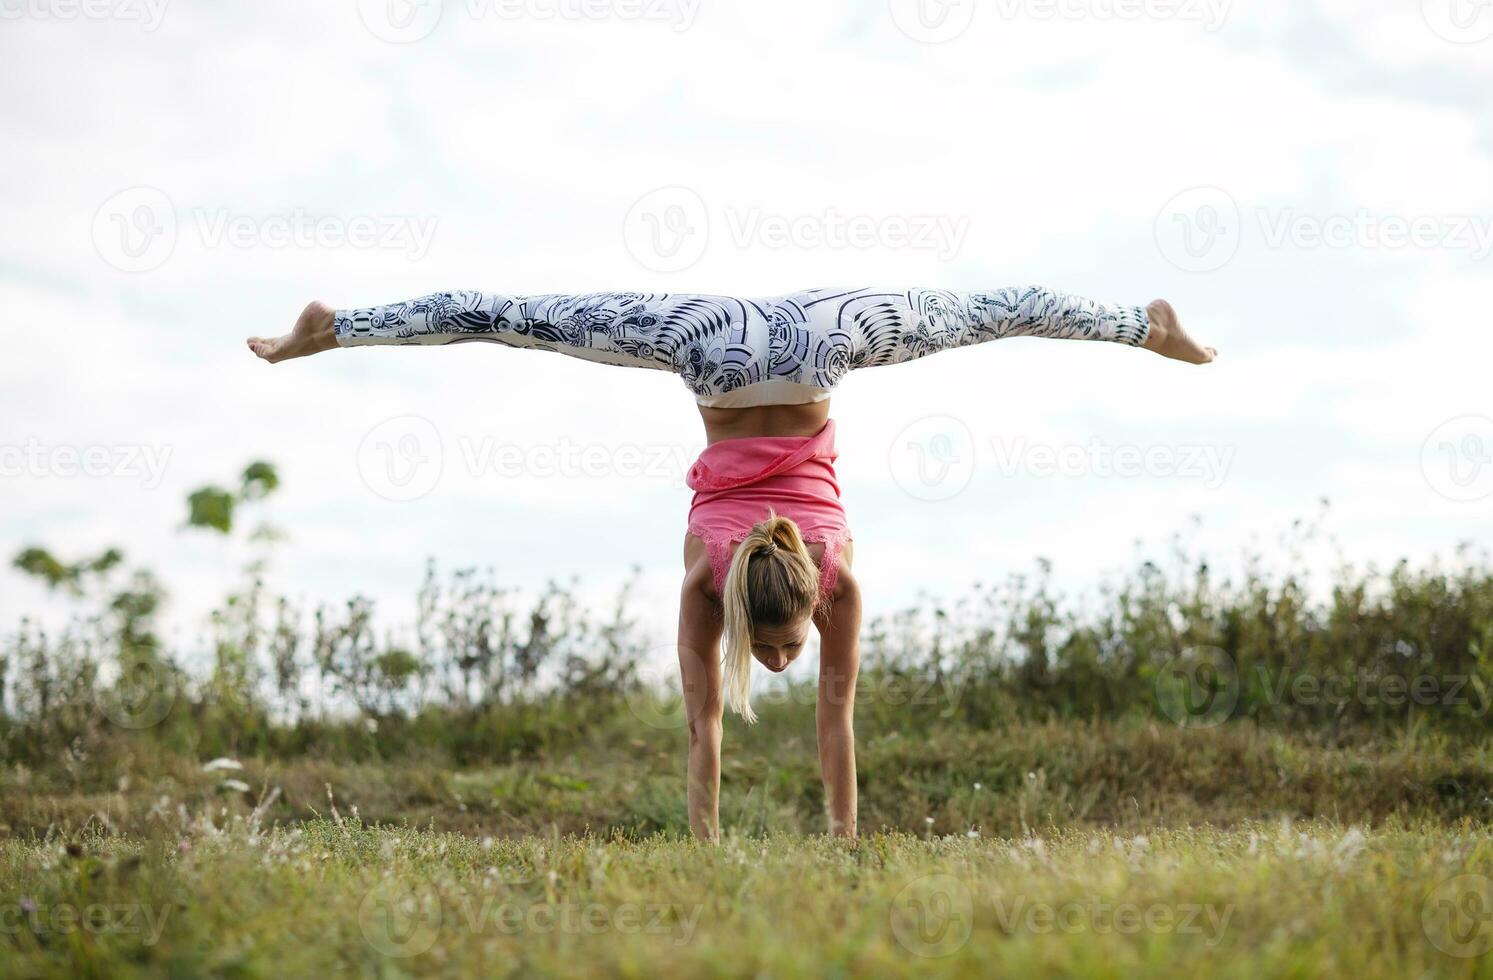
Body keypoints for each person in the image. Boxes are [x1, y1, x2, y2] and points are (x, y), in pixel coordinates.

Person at [247, 286, 1216, 839]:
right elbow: (799, 720)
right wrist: (827, 842)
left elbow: (710, 728)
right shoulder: (723, 576)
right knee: (988, 314)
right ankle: (1146, 323)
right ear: (797, 600)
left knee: (517, 317)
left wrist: (728, 842)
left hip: (760, 343)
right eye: (787, 646)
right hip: (784, 336)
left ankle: (334, 327)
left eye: (780, 648)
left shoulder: (790, 573)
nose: (789, 660)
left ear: (794, 596)